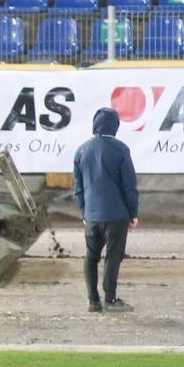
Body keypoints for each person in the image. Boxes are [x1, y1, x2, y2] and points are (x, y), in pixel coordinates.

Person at [73, 107, 139, 314]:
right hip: (117, 214)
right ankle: (110, 299)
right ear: (115, 126)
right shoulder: (120, 149)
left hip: (92, 214)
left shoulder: (82, 150)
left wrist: (83, 211)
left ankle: (93, 300)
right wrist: (133, 212)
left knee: (91, 256)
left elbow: (78, 187)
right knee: (113, 256)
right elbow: (129, 184)